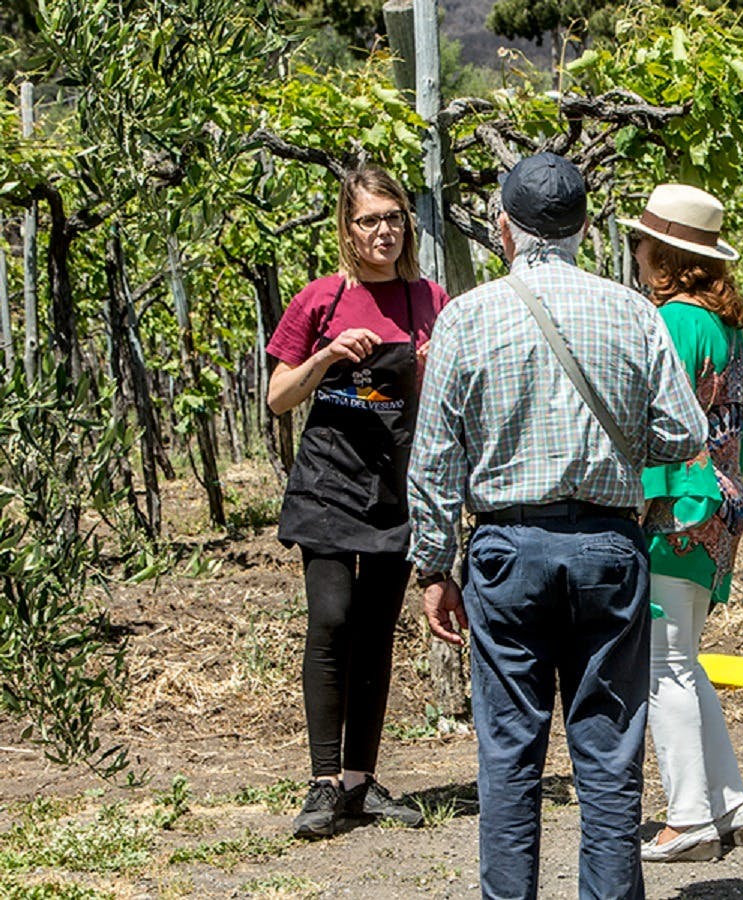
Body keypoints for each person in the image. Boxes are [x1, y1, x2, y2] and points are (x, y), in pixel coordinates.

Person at [407, 152, 707, 900]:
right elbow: (684, 432)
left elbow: (434, 458)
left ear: (503, 228)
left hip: (507, 551)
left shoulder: (465, 317)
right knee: (608, 751)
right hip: (608, 549)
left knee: (509, 753)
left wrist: (433, 566)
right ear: (583, 227)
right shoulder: (632, 311)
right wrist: (620, 452)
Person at [266, 166, 450, 840]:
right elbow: (278, 398)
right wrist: (325, 359)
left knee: (376, 631)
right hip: (328, 484)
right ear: (347, 228)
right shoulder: (321, 298)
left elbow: (443, 401)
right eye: (369, 219)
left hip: (395, 488)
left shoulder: (429, 298)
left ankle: (358, 780)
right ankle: (322, 780)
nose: (383, 231)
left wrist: (428, 369)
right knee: (332, 619)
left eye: (393, 217)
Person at [619, 184, 743, 863]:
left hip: (676, 505)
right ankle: (729, 803)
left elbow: (655, 418)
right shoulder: (724, 325)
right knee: (683, 660)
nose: (636, 251)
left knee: (663, 668)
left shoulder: (673, 320)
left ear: (666, 256)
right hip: (717, 505)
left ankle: (688, 818)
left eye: (642, 242)